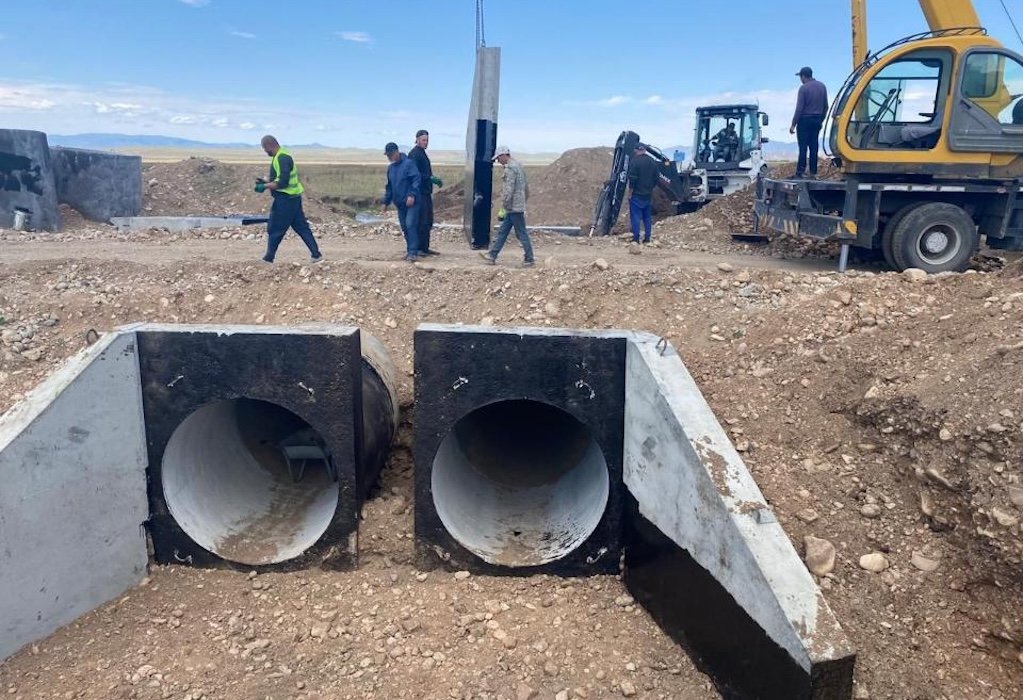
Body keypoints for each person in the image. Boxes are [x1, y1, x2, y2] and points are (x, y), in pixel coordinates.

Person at [256, 135, 322, 264]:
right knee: (301, 227)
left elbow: (283, 183)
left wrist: (264, 186)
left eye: (264, 148)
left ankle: (268, 258)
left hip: (285, 200)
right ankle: (316, 255)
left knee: (275, 228)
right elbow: (280, 178)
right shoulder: (282, 155)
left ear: (269, 145)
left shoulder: (282, 158)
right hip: (293, 199)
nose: (265, 151)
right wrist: (266, 182)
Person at [479, 145, 534, 267]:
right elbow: (526, 187)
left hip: (513, 207)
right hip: (516, 205)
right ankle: (492, 255)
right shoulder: (519, 166)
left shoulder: (510, 169)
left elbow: (509, 190)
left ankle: (529, 258)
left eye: (498, 158)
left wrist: (504, 206)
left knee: (521, 233)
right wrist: (523, 201)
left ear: (504, 155)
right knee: (503, 232)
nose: (498, 161)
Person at [380, 142, 422, 262]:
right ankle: (410, 251)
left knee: (410, 224)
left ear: (397, 152)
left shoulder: (409, 164)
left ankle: (413, 252)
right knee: (404, 227)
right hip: (400, 203)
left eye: (391, 154)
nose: (389, 157)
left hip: (412, 202)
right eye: (388, 155)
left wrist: (412, 195)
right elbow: (390, 187)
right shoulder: (391, 169)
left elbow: (416, 180)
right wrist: (385, 202)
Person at [408, 129, 442, 256]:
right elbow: (414, 174)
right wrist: (429, 178)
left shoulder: (422, 153)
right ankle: (418, 248)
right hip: (419, 192)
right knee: (421, 221)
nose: (426, 142)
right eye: (423, 140)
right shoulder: (414, 154)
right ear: (417, 140)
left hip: (426, 192)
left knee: (427, 220)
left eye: (427, 140)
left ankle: (425, 248)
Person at [790, 66, 829, 179]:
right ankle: (813, 173)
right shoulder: (822, 86)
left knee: (803, 147)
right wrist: (821, 119)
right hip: (817, 120)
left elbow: (799, 108)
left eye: (800, 77)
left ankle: (800, 172)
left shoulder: (803, 88)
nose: (800, 80)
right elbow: (826, 106)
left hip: (804, 120)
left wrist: (793, 124)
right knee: (814, 147)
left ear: (803, 76)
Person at [626, 143, 658, 244]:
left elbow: (632, 179)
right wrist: (650, 188)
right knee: (647, 217)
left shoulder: (634, 161)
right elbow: (656, 178)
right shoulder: (652, 161)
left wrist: (630, 192)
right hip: (648, 194)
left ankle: (636, 238)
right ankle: (647, 238)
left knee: (635, 217)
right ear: (644, 150)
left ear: (636, 150)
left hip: (636, 194)